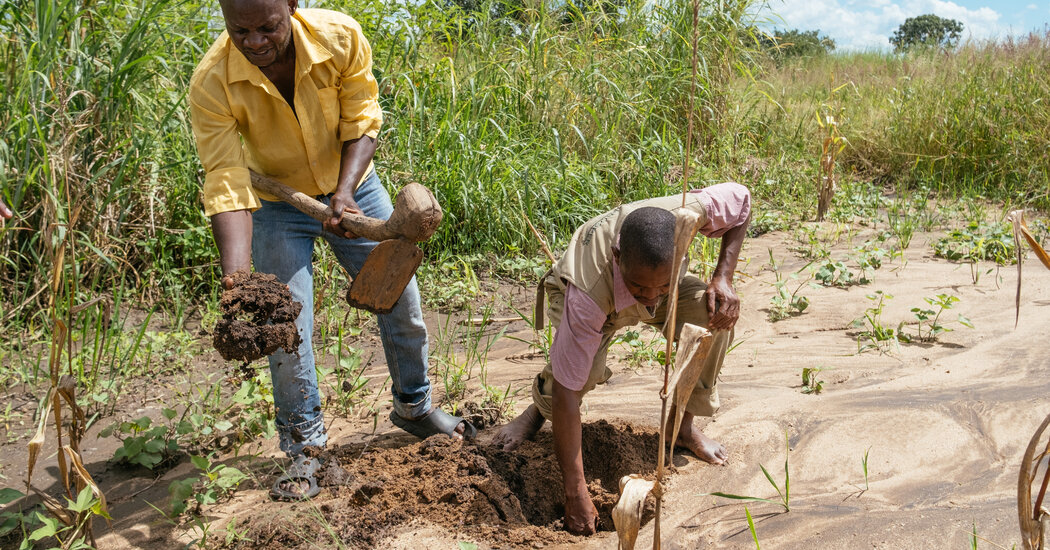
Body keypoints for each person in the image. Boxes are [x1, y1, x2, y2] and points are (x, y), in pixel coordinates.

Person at [189, 0, 474, 500]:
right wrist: (238, 282)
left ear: (292, 6)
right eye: (240, 31)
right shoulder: (212, 81)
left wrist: (343, 193)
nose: (254, 42)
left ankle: (414, 407)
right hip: (278, 204)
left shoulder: (340, 38)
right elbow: (227, 180)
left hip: (355, 188)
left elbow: (362, 119)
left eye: (267, 27)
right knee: (286, 325)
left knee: (401, 301)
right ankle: (306, 449)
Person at [493, 183, 751, 534]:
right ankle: (536, 413)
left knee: (714, 318)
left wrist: (723, 277)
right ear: (617, 256)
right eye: (641, 288)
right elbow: (568, 392)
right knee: (578, 376)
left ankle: (682, 428)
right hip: (588, 294)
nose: (651, 298)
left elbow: (742, 200)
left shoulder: (689, 213)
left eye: (661, 287)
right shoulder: (586, 294)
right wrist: (575, 493)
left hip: (644, 275)